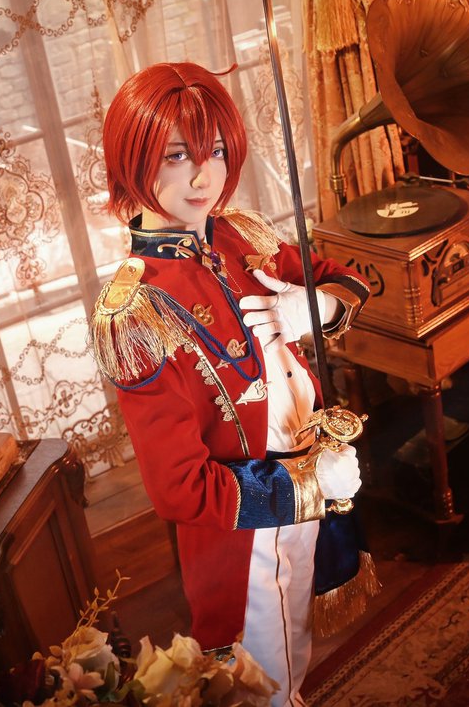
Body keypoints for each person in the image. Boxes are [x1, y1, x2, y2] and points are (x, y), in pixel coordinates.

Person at [89, 62, 378, 706]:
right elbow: (180, 488)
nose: (205, 177)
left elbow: (346, 278)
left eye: (216, 151)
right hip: (243, 531)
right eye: (176, 156)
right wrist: (307, 486)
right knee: (258, 676)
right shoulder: (133, 311)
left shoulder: (241, 233)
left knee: (296, 646)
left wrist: (318, 306)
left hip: (315, 481)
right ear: (133, 159)